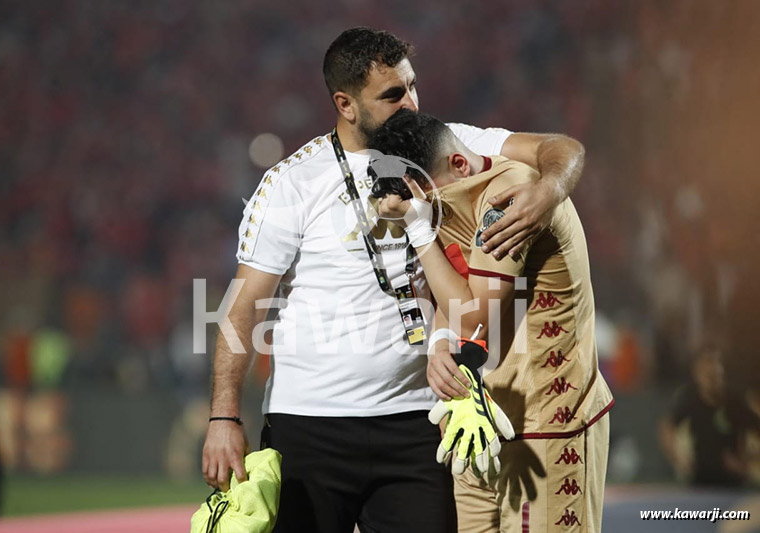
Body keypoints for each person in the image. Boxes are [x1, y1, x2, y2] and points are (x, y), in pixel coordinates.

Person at [202, 27, 587, 533]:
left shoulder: (446, 143)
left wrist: (551, 189)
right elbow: (245, 304)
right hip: (310, 428)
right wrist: (224, 418)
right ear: (345, 103)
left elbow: (562, 148)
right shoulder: (292, 183)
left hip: (418, 425)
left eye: (411, 85)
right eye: (391, 95)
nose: (410, 102)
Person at [369, 108, 613, 533]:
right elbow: (455, 290)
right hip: (478, 422)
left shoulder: (509, 200)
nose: (432, 214)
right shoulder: (443, 190)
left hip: (548, 423)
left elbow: (474, 314)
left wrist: (420, 231)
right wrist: (439, 342)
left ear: (460, 165)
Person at [659, 346, 760, 486]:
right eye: (706, 372)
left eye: (715, 370)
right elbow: (667, 427)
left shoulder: (735, 402)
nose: (711, 377)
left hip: (732, 484)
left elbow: (756, 427)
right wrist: (679, 459)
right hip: (700, 482)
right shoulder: (690, 400)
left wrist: (749, 460)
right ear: (697, 374)